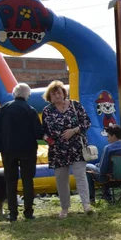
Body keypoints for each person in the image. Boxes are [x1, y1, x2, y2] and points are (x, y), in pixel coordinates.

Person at [0, 83, 43, 222]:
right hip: (28, 150)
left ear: (14, 94)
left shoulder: (4, 109)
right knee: (27, 181)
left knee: (10, 182)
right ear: (28, 96)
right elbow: (38, 133)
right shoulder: (30, 110)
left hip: (8, 150)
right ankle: (28, 212)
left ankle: (12, 213)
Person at [41, 80, 93, 217]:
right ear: (49, 97)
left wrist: (74, 130)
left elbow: (87, 122)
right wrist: (49, 139)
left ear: (64, 93)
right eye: (54, 94)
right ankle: (65, 208)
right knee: (61, 179)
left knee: (80, 176)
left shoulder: (75, 105)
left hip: (77, 147)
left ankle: (86, 205)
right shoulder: (47, 111)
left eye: (59, 93)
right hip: (58, 149)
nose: (57, 96)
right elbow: (45, 131)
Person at [86, 124, 121, 203]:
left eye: (108, 136)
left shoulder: (109, 148)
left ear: (114, 136)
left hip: (109, 180)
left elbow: (102, 170)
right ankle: (107, 196)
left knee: (88, 166)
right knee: (99, 166)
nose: (107, 139)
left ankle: (91, 199)